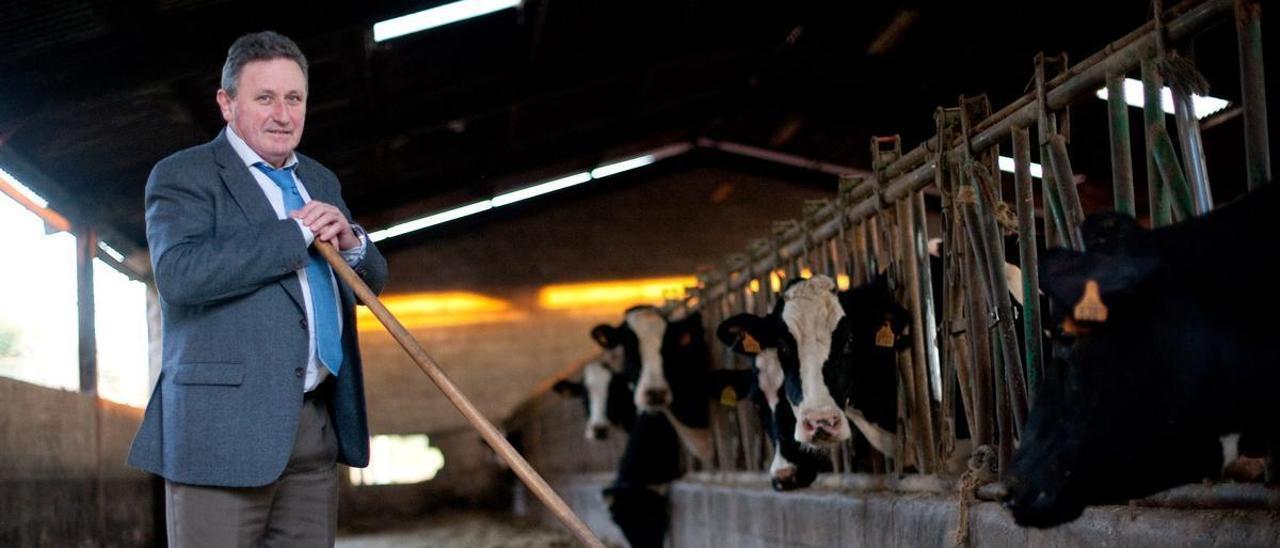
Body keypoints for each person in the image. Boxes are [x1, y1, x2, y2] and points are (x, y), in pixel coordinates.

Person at [127, 30, 388, 546]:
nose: (282, 114)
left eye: (294, 99)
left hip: (314, 424)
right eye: (264, 98)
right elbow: (181, 276)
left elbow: (368, 283)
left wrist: (353, 241)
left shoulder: (321, 179)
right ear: (227, 104)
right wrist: (294, 234)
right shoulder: (185, 176)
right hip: (222, 434)